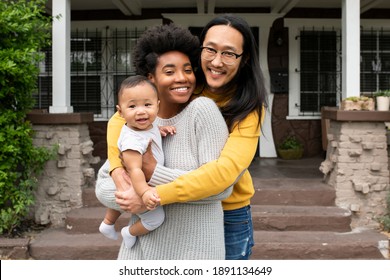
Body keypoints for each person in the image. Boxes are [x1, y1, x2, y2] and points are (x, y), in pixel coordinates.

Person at [132, 14, 268, 260]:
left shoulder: (249, 107)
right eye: (210, 50)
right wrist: (120, 178)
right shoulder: (184, 85)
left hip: (228, 214)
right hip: (178, 210)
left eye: (229, 53)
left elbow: (224, 175)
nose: (217, 61)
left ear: (244, 58)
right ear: (200, 49)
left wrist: (154, 191)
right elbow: (126, 118)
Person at [95, 23, 232, 259]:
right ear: (151, 78)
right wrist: (140, 198)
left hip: (194, 254)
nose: (182, 78)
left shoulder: (202, 111)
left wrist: (153, 176)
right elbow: (104, 186)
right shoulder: (138, 122)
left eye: (188, 70)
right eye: (169, 72)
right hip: (137, 254)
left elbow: (220, 187)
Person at [98, 75, 175, 249]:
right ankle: (129, 232)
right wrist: (145, 192)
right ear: (120, 112)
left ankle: (107, 223)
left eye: (147, 105)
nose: (141, 111)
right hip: (137, 183)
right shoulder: (131, 141)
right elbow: (135, 171)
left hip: (138, 180)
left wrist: (161, 129)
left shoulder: (147, 125)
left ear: (158, 105)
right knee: (156, 219)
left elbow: (151, 131)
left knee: (121, 199)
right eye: (132, 106)